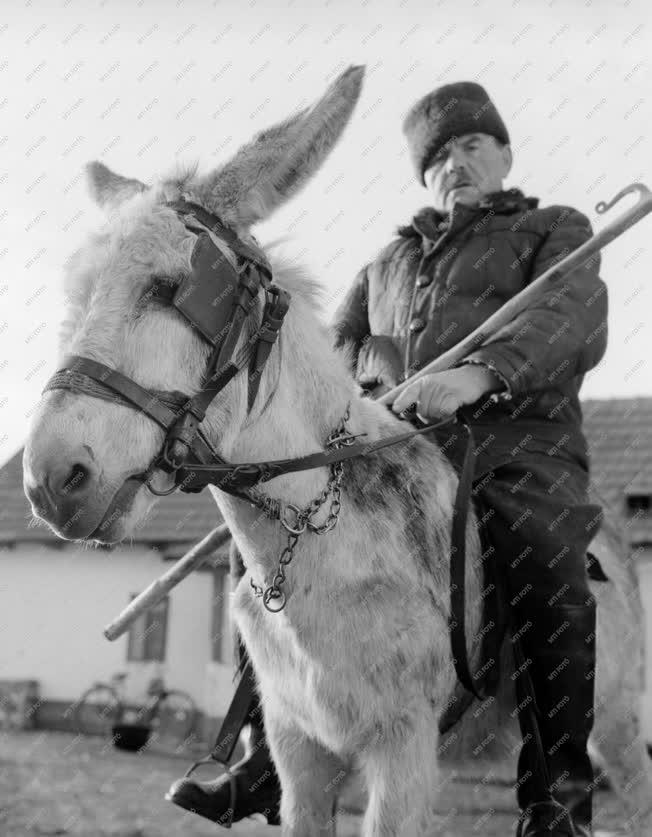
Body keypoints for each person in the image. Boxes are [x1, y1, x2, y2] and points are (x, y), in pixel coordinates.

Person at [168, 81, 608, 837]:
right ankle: (261, 761)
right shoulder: (386, 265)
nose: (455, 163)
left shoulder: (554, 230)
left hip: (515, 445)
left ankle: (556, 797)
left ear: (504, 152)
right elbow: (323, 361)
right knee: (270, 549)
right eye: (438, 155)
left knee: (546, 556)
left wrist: (483, 374)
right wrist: (365, 392)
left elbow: (571, 315)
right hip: (390, 450)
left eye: (472, 144)